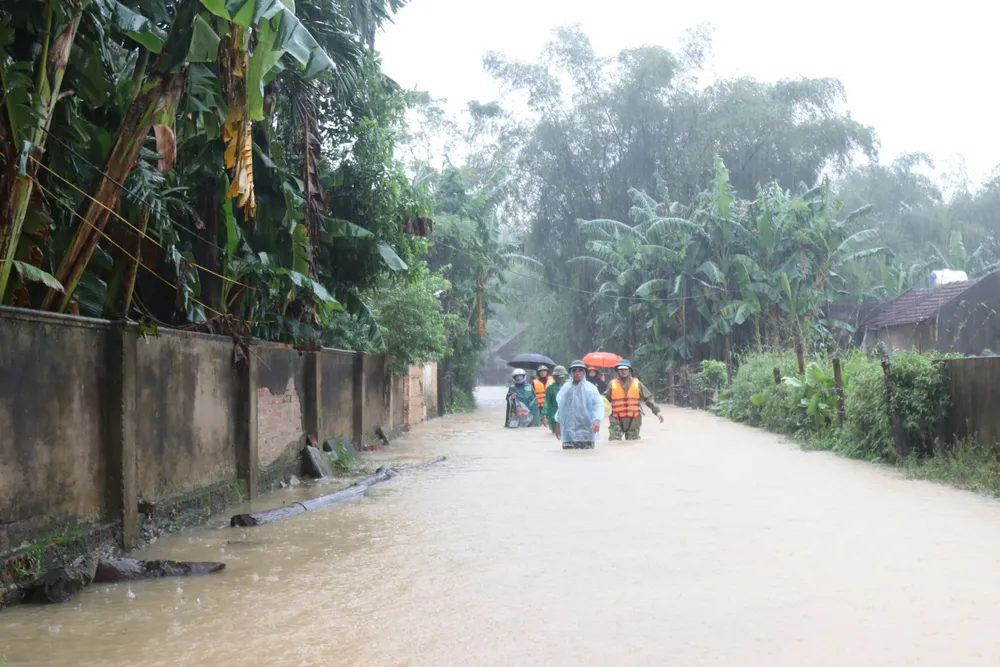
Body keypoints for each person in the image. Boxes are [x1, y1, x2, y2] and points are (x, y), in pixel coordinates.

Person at [603, 359, 663, 440]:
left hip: (634, 420)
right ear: (618, 371)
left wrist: (657, 412)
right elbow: (604, 400)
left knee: (633, 442)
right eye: (621, 369)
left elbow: (648, 398)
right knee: (614, 441)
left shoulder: (637, 383)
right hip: (616, 419)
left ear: (629, 370)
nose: (623, 371)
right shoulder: (612, 383)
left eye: (625, 369)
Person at [554, 360, 604, 449]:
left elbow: (598, 405)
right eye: (574, 370)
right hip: (569, 429)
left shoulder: (591, 388)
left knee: (588, 455)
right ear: (571, 372)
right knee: (569, 455)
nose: (577, 373)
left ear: (584, 372)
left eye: (580, 370)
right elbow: (561, 407)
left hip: (586, 428)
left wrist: (597, 420)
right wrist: (558, 423)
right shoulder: (566, 388)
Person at [541, 365, 568, 434]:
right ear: (555, 377)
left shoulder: (568, 386)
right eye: (559, 377)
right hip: (554, 414)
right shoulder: (550, 388)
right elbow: (546, 402)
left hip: (566, 413)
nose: (561, 379)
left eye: (562, 377)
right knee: (556, 433)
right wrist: (544, 416)